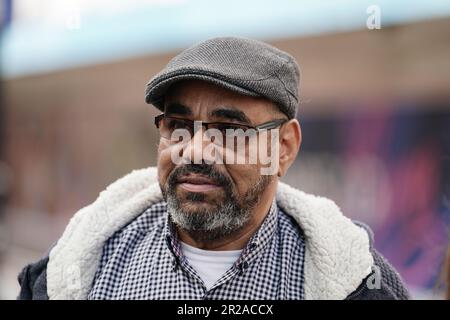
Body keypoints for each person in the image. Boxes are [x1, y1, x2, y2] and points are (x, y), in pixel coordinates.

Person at [17, 37, 409, 300]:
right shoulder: (76, 271)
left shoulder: (359, 283)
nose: (196, 151)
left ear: (284, 147)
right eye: (179, 125)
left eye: (228, 130)